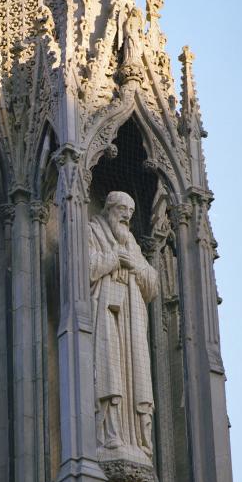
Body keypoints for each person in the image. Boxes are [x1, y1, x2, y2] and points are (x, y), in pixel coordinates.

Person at [89, 191, 158, 462]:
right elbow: (85, 267)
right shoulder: (91, 232)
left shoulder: (131, 243)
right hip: (105, 316)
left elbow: (152, 284)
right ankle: (109, 436)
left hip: (133, 321)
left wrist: (133, 266)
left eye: (130, 211)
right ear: (109, 209)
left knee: (137, 381)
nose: (127, 216)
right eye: (122, 209)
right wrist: (114, 259)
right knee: (110, 375)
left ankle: (139, 440)